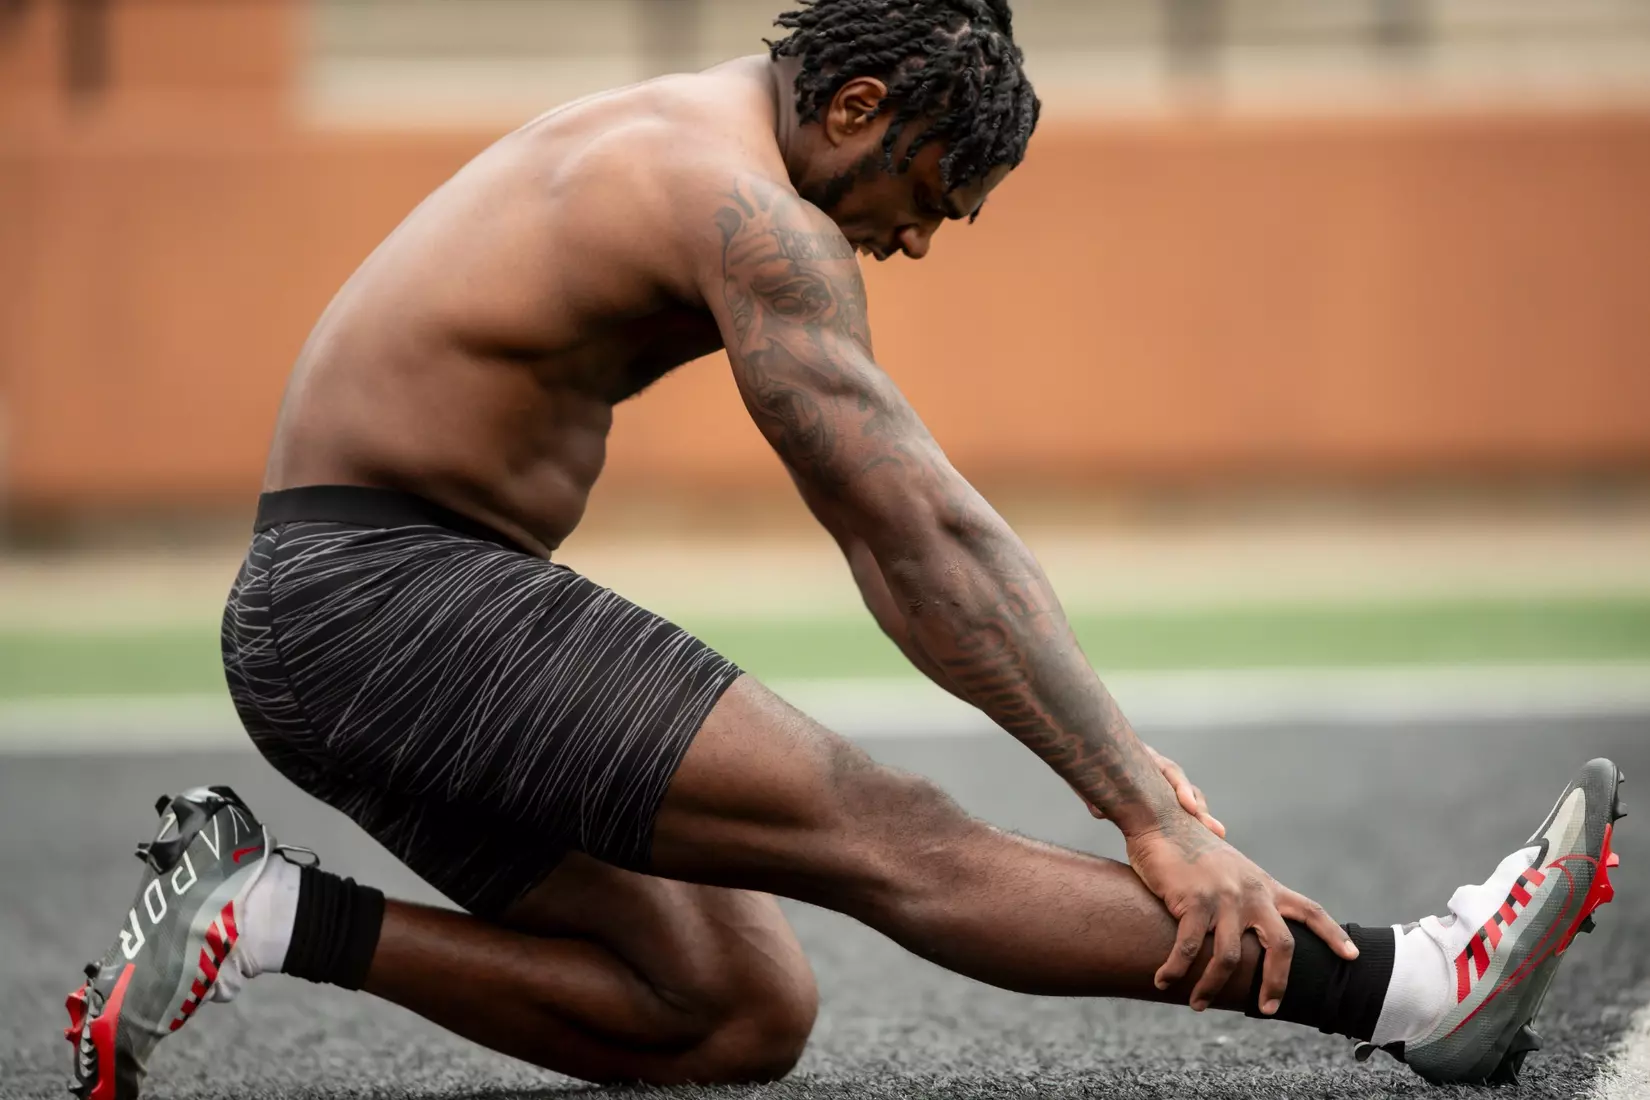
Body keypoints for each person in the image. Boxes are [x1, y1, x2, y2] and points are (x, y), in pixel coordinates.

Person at [63, 2, 1621, 1097]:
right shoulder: (739, 202)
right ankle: (1415, 985)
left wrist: (1130, 771)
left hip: (338, 621)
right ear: (857, 110)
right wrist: (1145, 812)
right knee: (897, 839)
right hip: (378, 602)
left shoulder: (687, 135)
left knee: (732, 1011)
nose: (917, 240)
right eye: (924, 197)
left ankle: (260, 914)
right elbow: (912, 530)